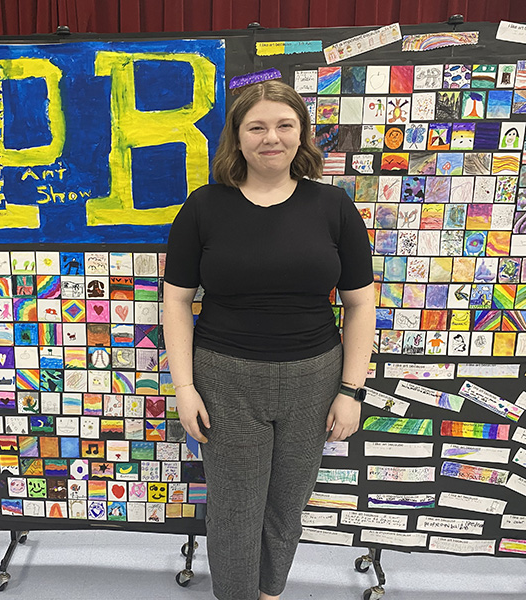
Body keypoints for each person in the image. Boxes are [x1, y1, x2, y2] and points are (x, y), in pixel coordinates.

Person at [162, 80, 375, 600]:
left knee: (286, 506)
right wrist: (184, 388)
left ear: (302, 134)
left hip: (314, 380)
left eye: (284, 125)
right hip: (224, 379)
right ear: (237, 137)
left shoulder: (334, 207)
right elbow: (175, 302)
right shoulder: (203, 207)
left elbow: (360, 303)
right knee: (235, 510)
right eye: (256, 126)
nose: (270, 138)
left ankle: (270, 592)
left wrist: (351, 392)